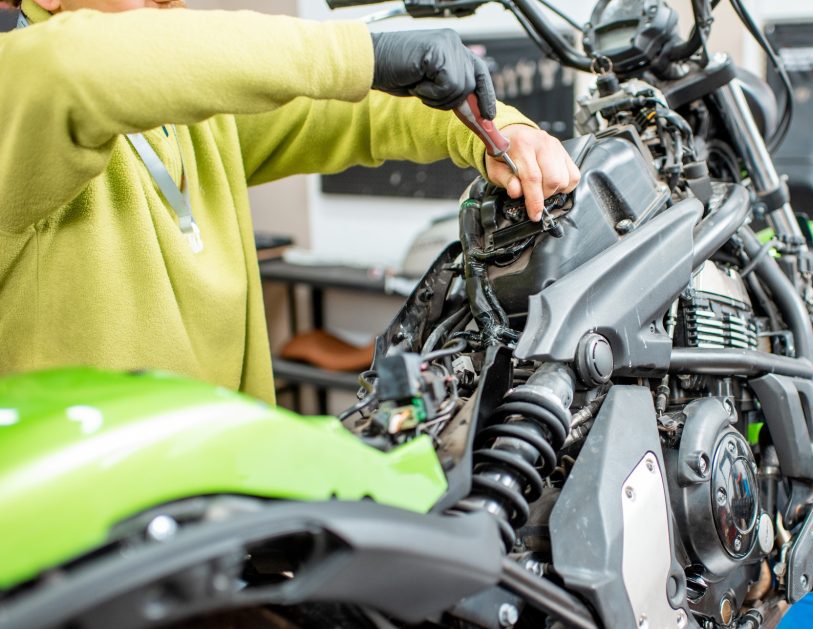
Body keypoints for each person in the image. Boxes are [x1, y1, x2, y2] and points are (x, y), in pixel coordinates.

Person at [0, 0, 580, 404]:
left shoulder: (196, 121)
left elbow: (364, 108)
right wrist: (364, 52)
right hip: (80, 542)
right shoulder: (17, 93)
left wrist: (500, 133)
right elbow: (79, 64)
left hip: (222, 507)